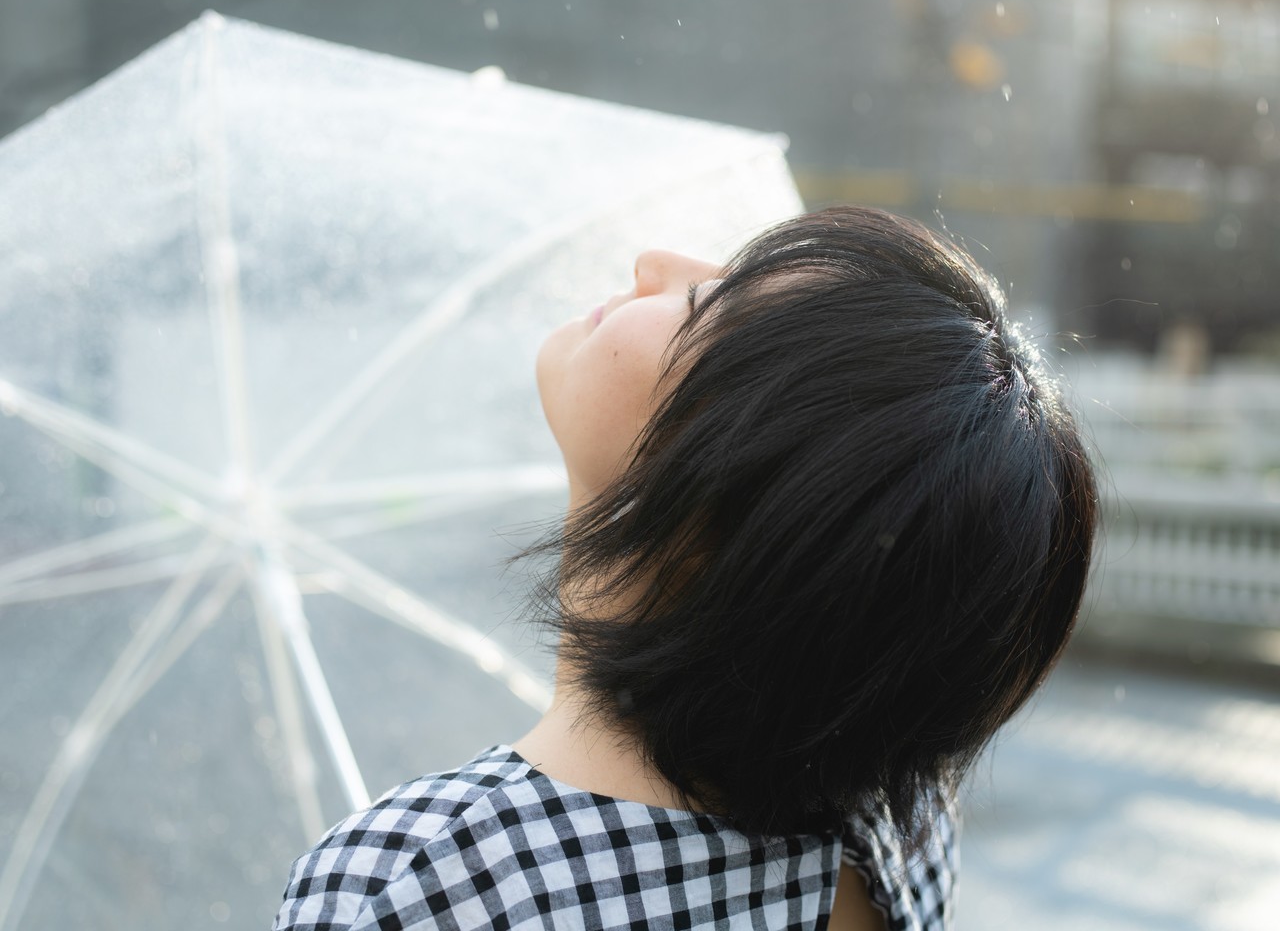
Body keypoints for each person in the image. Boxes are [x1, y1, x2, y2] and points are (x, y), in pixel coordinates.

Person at [273, 206, 1097, 931]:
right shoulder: (898, 820)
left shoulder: (422, 884)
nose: (657, 264)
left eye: (710, 303)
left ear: (740, 487)